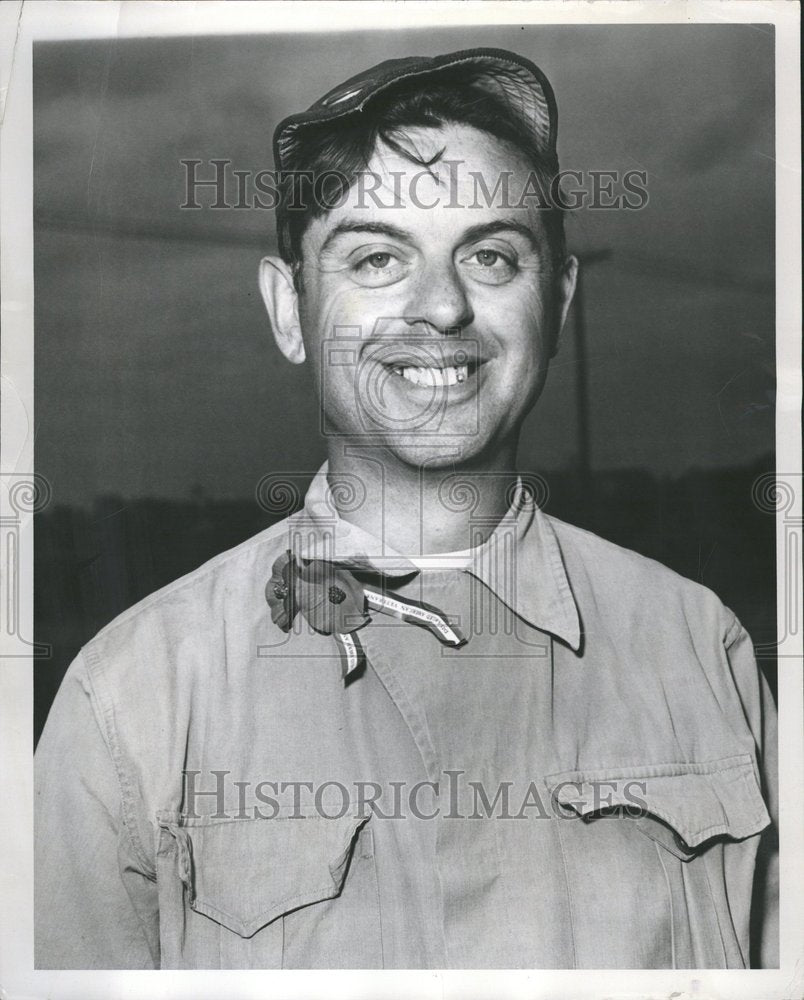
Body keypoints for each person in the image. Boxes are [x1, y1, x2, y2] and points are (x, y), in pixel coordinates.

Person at [35, 47, 777, 970]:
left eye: (494, 255)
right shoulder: (132, 699)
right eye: (378, 257)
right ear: (287, 309)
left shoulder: (702, 648)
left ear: (557, 300)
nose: (441, 306)